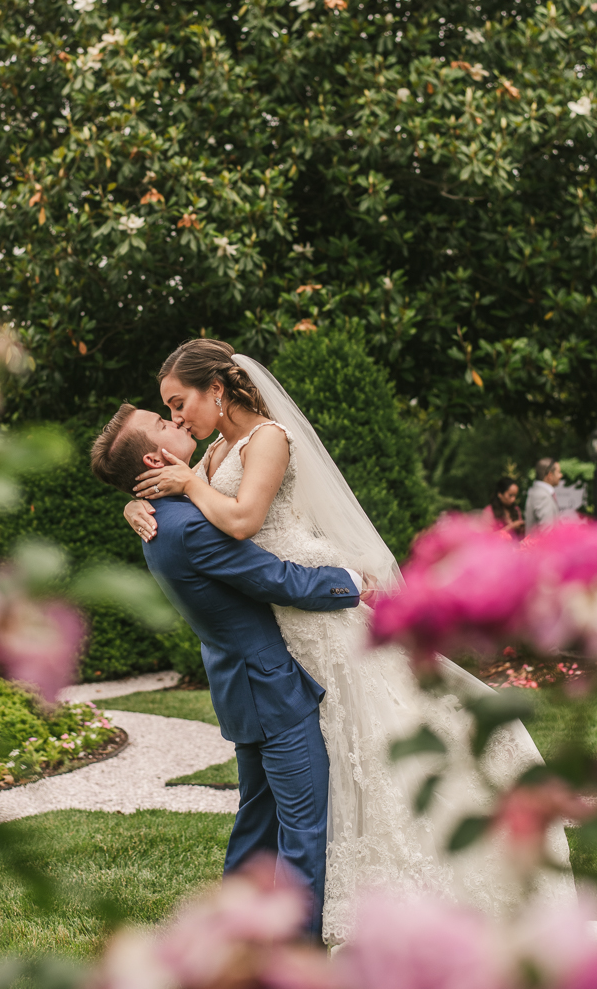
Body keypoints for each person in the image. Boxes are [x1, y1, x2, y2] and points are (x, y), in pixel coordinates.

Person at [99, 341, 576, 945]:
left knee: (367, 752)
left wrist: (179, 490)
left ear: (216, 389)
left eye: (176, 403)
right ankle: (276, 943)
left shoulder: (263, 439)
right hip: (286, 631)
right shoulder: (212, 453)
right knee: (316, 791)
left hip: (312, 618)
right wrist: (138, 502)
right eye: (166, 414)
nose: (175, 417)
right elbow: (212, 524)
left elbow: (236, 521)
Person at [91, 402, 362, 941]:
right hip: (271, 690)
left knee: (257, 825)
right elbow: (277, 580)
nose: (177, 421)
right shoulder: (188, 526)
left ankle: (224, 948)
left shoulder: (164, 514)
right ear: (154, 455)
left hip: (239, 688)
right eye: (165, 423)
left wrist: (135, 500)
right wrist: (353, 582)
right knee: (303, 832)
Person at [525, 457, 562, 532]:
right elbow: (547, 530)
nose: (561, 475)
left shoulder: (539, 492)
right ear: (550, 475)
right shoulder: (542, 496)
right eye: (558, 472)